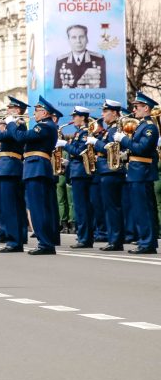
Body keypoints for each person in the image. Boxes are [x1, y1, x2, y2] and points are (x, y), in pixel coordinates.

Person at [8, 96, 61, 255]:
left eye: (37, 111)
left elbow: (20, 137)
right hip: (35, 168)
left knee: (38, 208)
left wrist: (11, 123)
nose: (34, 114)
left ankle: (45, 243)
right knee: (38, 207)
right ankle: (45, 242)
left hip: (37, 168)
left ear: (44, 112)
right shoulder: (44, 126)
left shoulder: (45, 126)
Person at [115, 92, 159, 254]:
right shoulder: (141, 125)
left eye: (137, 107)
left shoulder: (149, 127)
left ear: (146, 108)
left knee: (144, 209)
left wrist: (124, 140)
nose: (134, 110)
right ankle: (144, 240)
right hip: (136, 172)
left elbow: (142, 148)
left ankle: (147, 243)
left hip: (143, 172)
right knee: (139, 209)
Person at [0, 97, 29, 253]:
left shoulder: (17, 125)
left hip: (10, 167)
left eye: (10, 108)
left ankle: (14, 241)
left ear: (17, 111)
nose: (7, 110)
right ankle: (19, 236)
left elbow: (0, 137)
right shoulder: (14, 125)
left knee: (11, 207)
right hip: (9, 167)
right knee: (14, 205)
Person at [87, 100, 127, 251]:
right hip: (106, 171)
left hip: (112, 171)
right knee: (109, 207)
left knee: (112, 207)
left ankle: (115, 240)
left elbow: (111, 149)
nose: (102, 114)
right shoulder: (110, 129)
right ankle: (114, 238)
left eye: (105, 111)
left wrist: (95, 142)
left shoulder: (116, 129)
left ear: (115, 113)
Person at [63, 106, 94, 249]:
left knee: (82, 207)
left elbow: (80, 151)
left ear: (82, 117)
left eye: (75, 116)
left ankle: (85, 238)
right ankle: (83, 236)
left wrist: (65, 145)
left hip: (81, 173)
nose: (73, 119)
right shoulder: (79, 133)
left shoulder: (85, 132)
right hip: (77, 171)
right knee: (80, 207)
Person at [53, 25, 106, 89]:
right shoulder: (61, 61)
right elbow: (57, 90)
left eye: (81, 37)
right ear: (68, 40)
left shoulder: (99, 59)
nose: (78, 41)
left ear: (87, 39)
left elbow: (103, 88)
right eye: (74, 37)